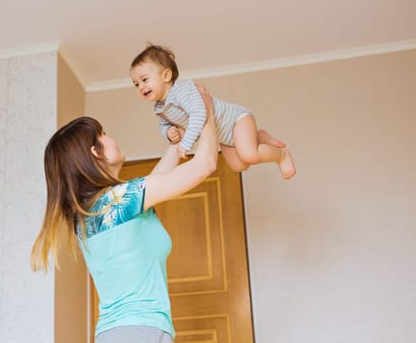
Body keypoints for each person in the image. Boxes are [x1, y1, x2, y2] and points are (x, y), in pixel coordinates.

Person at [30, 85, 218, 343]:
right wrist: (206, 115)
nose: (110, 137)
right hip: (140, 331)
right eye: (103, 134)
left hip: (119, 333)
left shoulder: (94, 210)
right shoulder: (119, 200)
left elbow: (156, 182)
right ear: (95, 152)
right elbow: (206, 163)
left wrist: (177, 146)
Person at [130, 43, 296, 179]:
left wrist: (186, 143)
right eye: (136, 84)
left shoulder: (181, 90)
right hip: (223, 135)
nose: (141, 87)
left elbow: (199, 114)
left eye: (144, 79)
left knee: (250, 155)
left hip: (236, 120)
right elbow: (164, 125)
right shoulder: (160, 107)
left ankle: (281, 155)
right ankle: (259, 136)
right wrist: (168, 132)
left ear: (166, 76)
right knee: (239, 166)